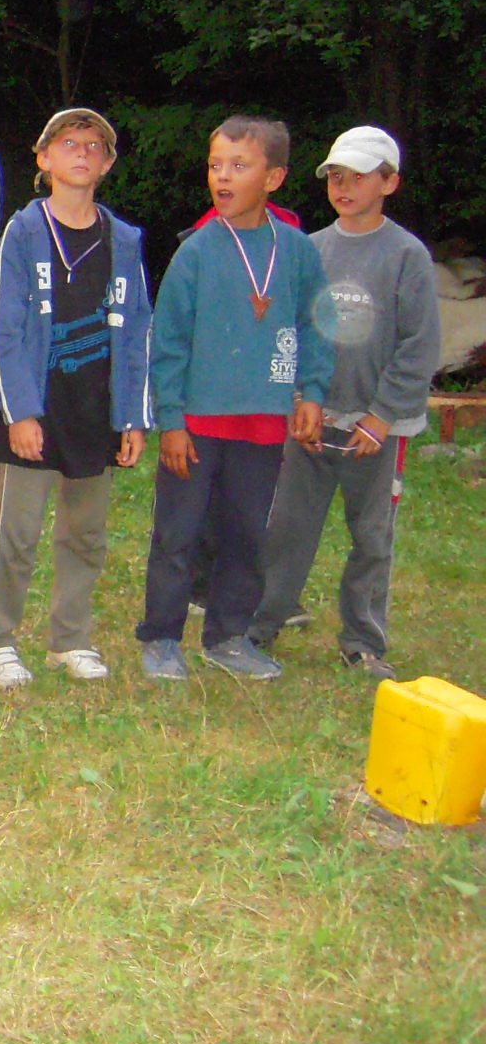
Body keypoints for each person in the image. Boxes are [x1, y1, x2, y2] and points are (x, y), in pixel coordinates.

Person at [134, 116, 335, 682]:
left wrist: (312, 391)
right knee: (178, 532)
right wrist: (171, 420)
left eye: (239, 166)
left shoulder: (295, 250)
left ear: (273, 178)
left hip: (264, 421)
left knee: (246, 534)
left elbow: (318, 323)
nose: (222, 177)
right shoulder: (197, 252)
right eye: (215, 165)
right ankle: (161, 636)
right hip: (198, 423)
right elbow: (168, 342)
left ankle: (228, 636)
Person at [0, 109, 151, 688]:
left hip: (95, 408)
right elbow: (6, 328)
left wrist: (133, 416)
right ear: (44, 158)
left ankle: (70, 639)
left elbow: (137, 330)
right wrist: (20, 411)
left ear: (108, 163)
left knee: (86, 535)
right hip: (37, 408)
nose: (82, 153)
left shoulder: (124, 240)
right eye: (68, 143)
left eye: (95, 146)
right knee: (16, 535)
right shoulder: (24, 232)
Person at [250, 126, 440, 680]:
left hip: (376, 428)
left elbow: (419, 344)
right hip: (313, 419)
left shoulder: (406, 255)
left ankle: (362, 640)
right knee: (287, 528)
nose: (344, 186)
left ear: (389, 183)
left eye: (359, 176)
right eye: (336, 175)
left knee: (371, 536)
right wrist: (297, 400)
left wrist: (382, 416)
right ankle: (260, 624)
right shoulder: (310, 249)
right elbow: (289, 330)